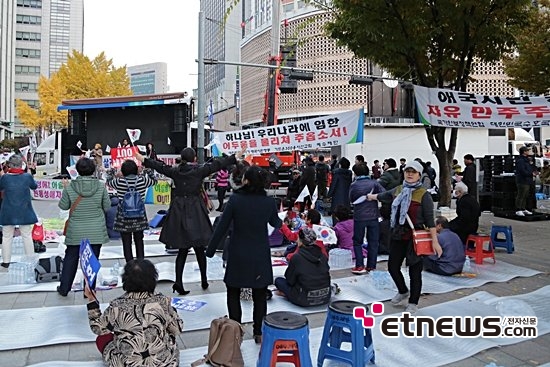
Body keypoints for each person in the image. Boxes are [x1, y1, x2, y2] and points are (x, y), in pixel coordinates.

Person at [136, 147, 241, 295]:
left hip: (179, 208)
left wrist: (144, 159)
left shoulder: (176, 171)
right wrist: (234, 157)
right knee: (199, 248)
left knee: (182, 249)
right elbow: (217, 164)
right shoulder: (199, 171)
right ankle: (204, 279)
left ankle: (178, 281)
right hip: (195, 208)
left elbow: (160, 166)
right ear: (194, 159)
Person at [206, 166, 282, 344]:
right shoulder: (269, 202)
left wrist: (210, 250)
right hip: (260, 254)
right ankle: (259, 333)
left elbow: (222, 226)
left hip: (238, 252)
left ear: (246, 181)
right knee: (259, 294)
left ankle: (235, 331)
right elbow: (276, 223)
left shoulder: (235, 200)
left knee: (233, 291)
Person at [367, 160, 442, 314]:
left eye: (413, 172)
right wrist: (371, 196)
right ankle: (403, 291)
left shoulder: (424, 195)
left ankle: (413, 302)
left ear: (419, 175)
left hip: (415, 238)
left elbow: (430, 221)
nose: (409, 174)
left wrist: (435, 242)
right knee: (393, 267)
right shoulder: (399, 189)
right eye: (407, 171)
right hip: (398, 234)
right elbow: (385, 195)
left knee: (415, 272)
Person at [84, 259, 184, 366]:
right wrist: (172, 313)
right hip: (163, 363)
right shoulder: (162, 301)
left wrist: (92, 301)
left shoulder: (117, 306)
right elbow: (177, 329)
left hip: (129, 363)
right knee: (168, 335)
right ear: (153, 279)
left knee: (102, 339)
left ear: (125, 280)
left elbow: (97, 328)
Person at [57, 158, 111, 296]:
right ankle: (89, 289)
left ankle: (64, 288)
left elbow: (63, 206)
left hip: (76, 231)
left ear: (77, 170)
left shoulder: (70, 187)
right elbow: (107, 206)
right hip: (96, 230)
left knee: (71, 258)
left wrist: (65, 189)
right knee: (92, 261)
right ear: (93, 170)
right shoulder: (100, 186)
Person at [106, 160, 157, 262]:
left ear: (123, 171)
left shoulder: (119, 182)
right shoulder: (142, 180)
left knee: (126, 242)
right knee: (139, 240)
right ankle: (141, 263)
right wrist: (147, 170)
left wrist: (111, 171)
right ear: (136, 170)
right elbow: (154, 181)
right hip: (139, 217)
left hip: (123, 217)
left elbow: (109, 182)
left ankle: (129, 264)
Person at [274, 226, 331, 307]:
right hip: (325, 296)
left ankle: (286, 294)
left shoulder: (297, 257)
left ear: (300, 241)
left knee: (278, 281)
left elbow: (290, 280)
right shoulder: (323, 256)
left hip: (303, 298)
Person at [0, 155, 38, 271]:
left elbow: (1, 188)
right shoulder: (27, 177)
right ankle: (31, 259)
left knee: (7, 237)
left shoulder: (5, 178)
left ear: (9, 165)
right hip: (24, 210)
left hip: (8, 211)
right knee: (26, 235)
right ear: (21, 164)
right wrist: (30, 172)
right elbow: (34, 187)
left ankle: (6, 262)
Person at [349, 163, 385, 274]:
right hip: (374, 216)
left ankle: (359, 265)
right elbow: (384, 194)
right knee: (373, 242)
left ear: (355, 173)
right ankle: (371, 266)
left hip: (359, 216)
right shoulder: (374, 183)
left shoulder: (354, 185)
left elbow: (350, 199)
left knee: (357, 241)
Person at [378, 158, 401, 255]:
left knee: (386, 223)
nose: (384, 165)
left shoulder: (386, 175)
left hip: (387, 200)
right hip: (397, 200)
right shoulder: (399, 174)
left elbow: (378, 185)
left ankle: (385, 245)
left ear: (388, 165)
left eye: (385, 164)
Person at [327, 157, 352, 222]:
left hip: (337, 197)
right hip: (346, 197)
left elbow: (333, 185)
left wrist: (329, 195)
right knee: (345, 216)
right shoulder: (349, 174)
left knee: (336, 215)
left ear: (340, 165)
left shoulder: (337, 173)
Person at [515, 146, 537, 216]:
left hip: (528, 180)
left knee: (525, 195)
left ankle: (523, 208)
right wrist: (531, 173)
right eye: (527, 151)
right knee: (521, 195)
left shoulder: (527, 160)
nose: (528, 152)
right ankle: (518, 209)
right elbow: (522, 171)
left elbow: (530, 168)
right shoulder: (520, 160)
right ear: (524, 152)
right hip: (522, 180)